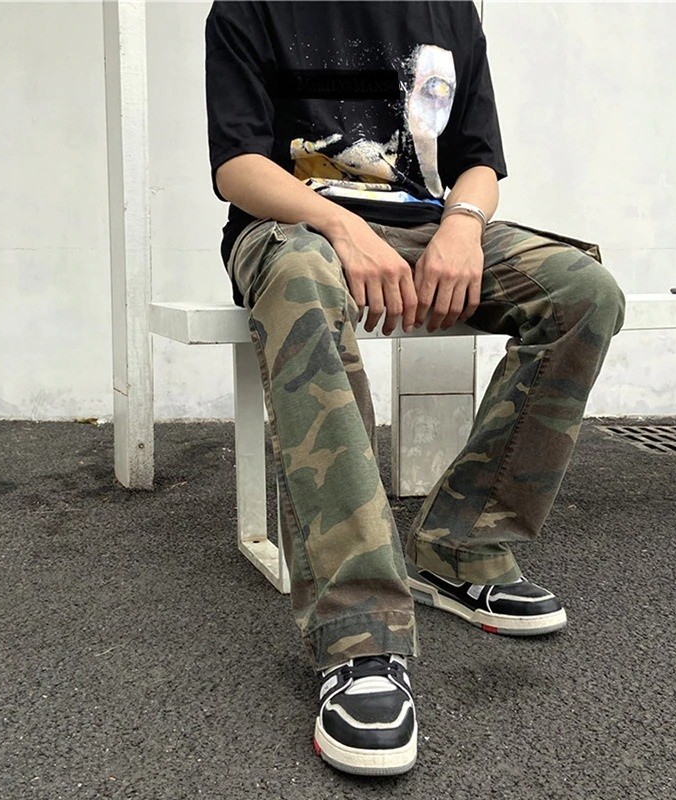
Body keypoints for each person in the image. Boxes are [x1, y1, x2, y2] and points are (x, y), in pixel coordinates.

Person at [205, 0, 625, 776]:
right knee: (301, 287)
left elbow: (477, 162)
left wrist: (463, 226)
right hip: (294, 229)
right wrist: (342, 226)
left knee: (582, 293)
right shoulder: (250, 7)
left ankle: (461, 548)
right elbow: (238, 167)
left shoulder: (448, 9)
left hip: (429, 226)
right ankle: (360, 631)